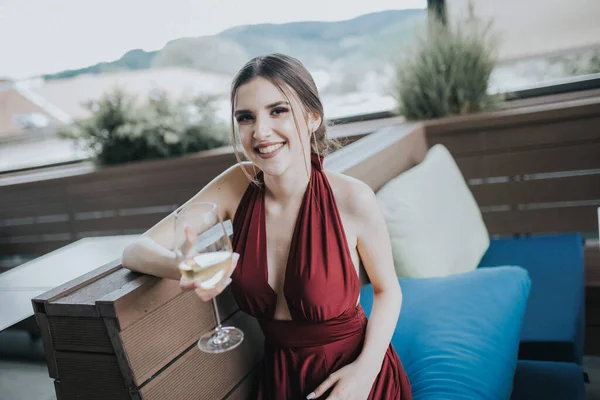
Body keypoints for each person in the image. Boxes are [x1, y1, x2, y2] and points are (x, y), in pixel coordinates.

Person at [122, 53, 411, 400]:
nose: (260, 132)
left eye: (278, 111)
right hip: (280, 382)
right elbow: (135, 250)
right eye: (246, 118)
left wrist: (366, 371)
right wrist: (183, 268)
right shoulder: (235, 186)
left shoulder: (352, 198)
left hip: (356, 378)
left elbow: (387, 290)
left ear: (312, 117)